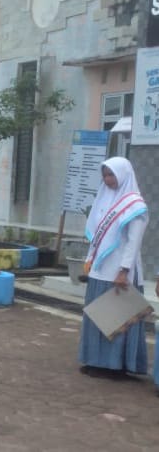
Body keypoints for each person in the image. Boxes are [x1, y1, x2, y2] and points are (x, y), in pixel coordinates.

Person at [78, 157, 149, 379]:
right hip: (100, 270)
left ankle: (117, 366)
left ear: (123, 175)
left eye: (111, 175)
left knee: (117, 318)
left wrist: (124, 270)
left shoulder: (135, 205)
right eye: (105, 175)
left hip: (119, 272)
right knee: (99, 317)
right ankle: (97, 362)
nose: (107, 180)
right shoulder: (105, 199)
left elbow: (133, 241)